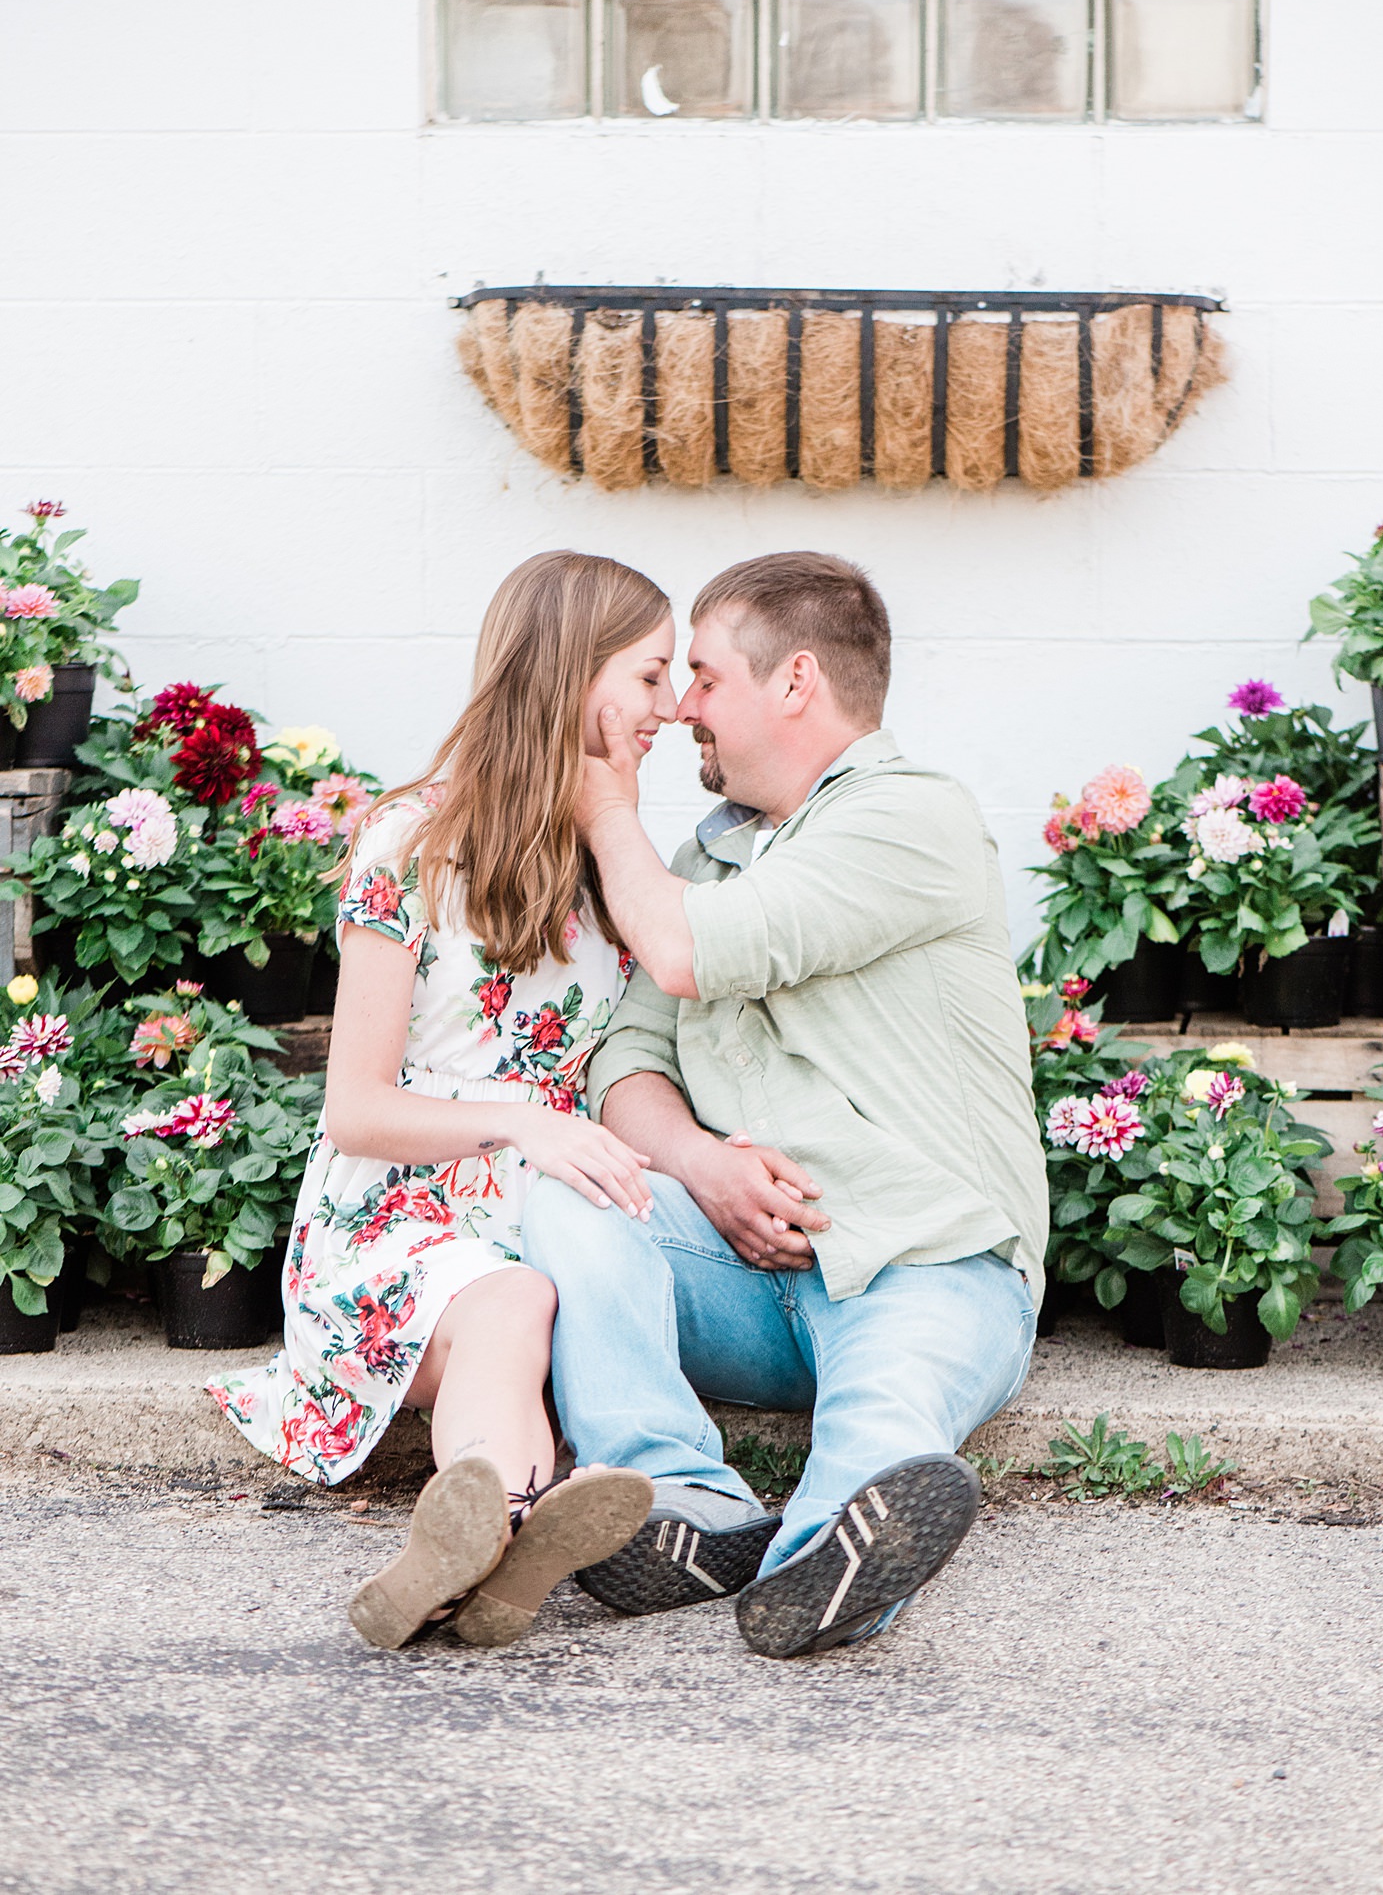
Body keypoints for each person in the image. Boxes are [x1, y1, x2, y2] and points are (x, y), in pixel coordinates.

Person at [521, 551, 1048, 1659]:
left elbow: (684, 953)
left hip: (926, 1260)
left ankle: (821, 1564)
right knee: (566, 1198)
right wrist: (702, 1169)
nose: (680, 711)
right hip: (751, 1275)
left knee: (887, 1397)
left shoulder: (912, 818)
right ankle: (682, 1506)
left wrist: (603, 801)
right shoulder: (700, 858)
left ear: (796, 681)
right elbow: (625, 1063)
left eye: (703, 678)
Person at [208, 551, 680, 1651]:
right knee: (513, 1306)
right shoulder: (411, 847)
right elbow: (356, 1110)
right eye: (650, 675)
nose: (670, 706)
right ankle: (512, 1523)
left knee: (522, 1306)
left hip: (527, 1222)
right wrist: (523, 1119)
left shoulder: (608, 859)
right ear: (575, 672)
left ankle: (482, 1556)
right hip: (394, 1223)